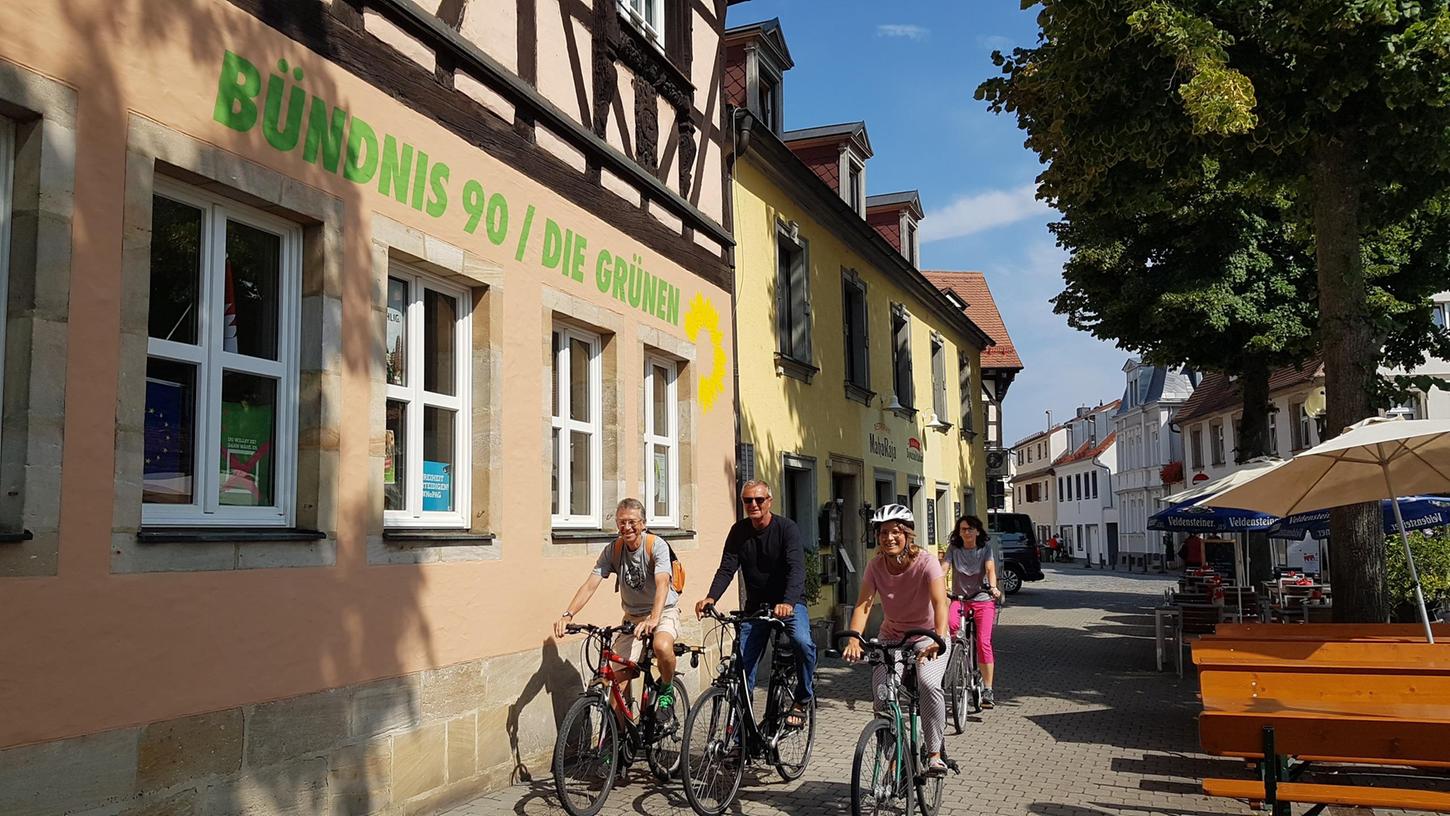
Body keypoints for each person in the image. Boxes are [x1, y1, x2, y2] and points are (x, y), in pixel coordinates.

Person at [695, 479, 815, 728]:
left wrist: (788, 602)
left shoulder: (786, 529)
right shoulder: (738, 531)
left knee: (803, 643)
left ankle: (803, 697)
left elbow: (796, 569)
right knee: (742, 669)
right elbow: (727, 568)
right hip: (756, 607)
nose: (753, 504)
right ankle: (740, 741)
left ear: (769, 501)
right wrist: (711, 597)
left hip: (789, 603)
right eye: (747, 500)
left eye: (759, 500)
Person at [843, 504, 951, 775]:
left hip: (928, 636)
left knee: (927, 684)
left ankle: (935, 752)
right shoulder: (876, 565)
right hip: (891, 637)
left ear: (907, 535)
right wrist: (855, 639)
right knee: (882, 697)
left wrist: (938, 638)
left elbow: (940, 603)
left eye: (895, 532)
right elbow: (863, 605)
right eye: (882, 533)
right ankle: (894, 756)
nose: (888, 538)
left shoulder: (927, 562)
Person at [555, 498, 681, 722]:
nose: (627, 527)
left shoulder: (656, 545)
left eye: (632, 522)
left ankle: (667, 689)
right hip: (632, 617)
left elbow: (662, 582)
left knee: (661, 646)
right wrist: (568, 614)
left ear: (642, 523)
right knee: (616, 675)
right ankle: (617, 741)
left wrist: (654, 618)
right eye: (622, 522)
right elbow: (590, 584)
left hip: (662, 611)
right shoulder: (613, 550)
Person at [942, 515, 1003, 708]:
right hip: (960, 600)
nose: (966, 532)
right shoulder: (954, 549)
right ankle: (960, 659)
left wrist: (993, 587)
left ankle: (987, 689)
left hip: (982, 599)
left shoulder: (985, 548)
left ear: (977, 531)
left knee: (984, 642)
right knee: (950, 626)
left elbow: (990, 569)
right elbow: (943, 568)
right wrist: (936, 584)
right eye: (962, 529)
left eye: (969, 529)